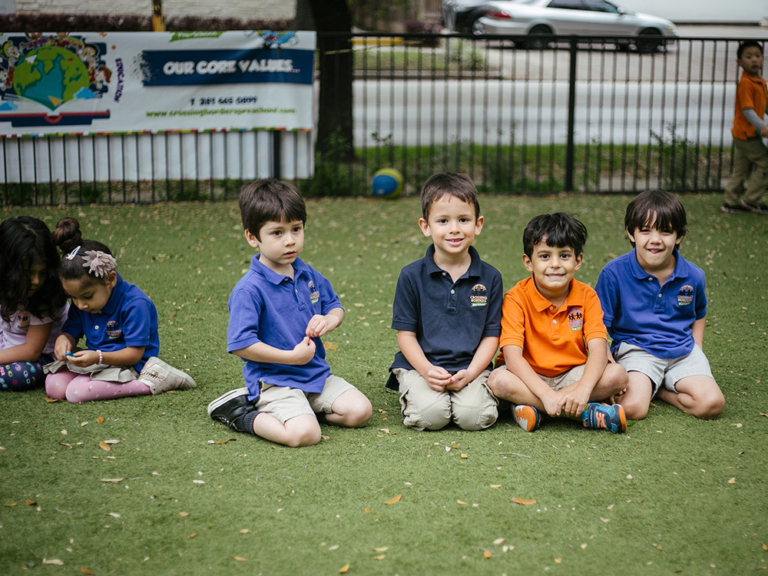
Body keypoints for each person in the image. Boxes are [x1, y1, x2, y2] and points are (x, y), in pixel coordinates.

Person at [207, 179, 372, 447]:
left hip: (315, 375)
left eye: (296, 229)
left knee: (360, 412)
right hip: (275, 381)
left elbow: (334, 306)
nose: (290, 240)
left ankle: (303, 411)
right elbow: (241, 345)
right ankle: (239, 413)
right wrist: (290, 358)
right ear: (252, 237)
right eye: (277, 233)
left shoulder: (307, 274)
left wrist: (328, 320)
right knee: (305, 436)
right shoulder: (249, 290)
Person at [487, 213, 628, 433]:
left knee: (617, 375)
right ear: (528, 262)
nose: (555, 264)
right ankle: (585, 413)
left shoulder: (587, 296)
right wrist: (545, 394)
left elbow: (598, 349)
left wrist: (583, 389)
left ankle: (535, 409)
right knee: (498, 380)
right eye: (544, 256)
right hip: (527, 378)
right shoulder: (515, 298)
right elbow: (513, 358)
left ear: (577, 261)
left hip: (571, 374)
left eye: (564, 255)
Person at [385, 173, 502, 431]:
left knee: (474, 418)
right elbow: (406, 335)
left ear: (478, 224)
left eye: (463, 219)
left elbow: (491, 336)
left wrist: (471, 373)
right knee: (431, 417)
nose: (454, 229)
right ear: (426, 226)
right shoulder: (410, 275)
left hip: (469, 367)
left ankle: (469, 394)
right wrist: (426, 370)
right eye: (443, 220)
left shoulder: (491, 277)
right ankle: (416, 393)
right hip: (421, 367)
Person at [596, 190, 724, 420]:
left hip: (682, 352)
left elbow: (699, 313)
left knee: (711, 405)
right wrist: (610, 365)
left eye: (665, 231)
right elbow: (596, 326)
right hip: (637, 351)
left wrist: (697, 349)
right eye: (645, 230)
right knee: (633, 409)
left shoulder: (693, 275)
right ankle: (650, 386)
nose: (655, 239)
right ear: (631, 233)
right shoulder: (613, 273)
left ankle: (661, 391)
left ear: (679, 236)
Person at [44, 217, 196, 403]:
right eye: (73, 297)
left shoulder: (135, 303)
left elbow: (134, 354)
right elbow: (72, 331)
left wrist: (98, 357)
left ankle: (155, 380)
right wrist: (64, 339)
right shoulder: (82, 303)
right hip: (98, 362)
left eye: (87, 296)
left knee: (76, 393)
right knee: (54, 386)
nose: (80, 305)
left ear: (110, 279)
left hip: (130, 365)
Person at [0, 216, 69, 391]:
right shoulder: (6, 288)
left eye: (43, 272)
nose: (36, 281)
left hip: (39, 357)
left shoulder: (47, 295)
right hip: (5, 346)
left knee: (19, 375)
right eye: (27, 273)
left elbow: (32, 350)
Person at [721, 40, 768, 214]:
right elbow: (747, 110)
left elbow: (764, 105)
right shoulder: (746, 84)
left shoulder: (760, 81)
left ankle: (730, 202)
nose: (754, 60)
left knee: (742, 169)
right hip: (746, 135)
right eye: (748, 57)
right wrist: (762, 126)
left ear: (762, 59)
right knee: (766, 163)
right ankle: (751, 200)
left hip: (745, 135)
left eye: (757, 56)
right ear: (739, 62)